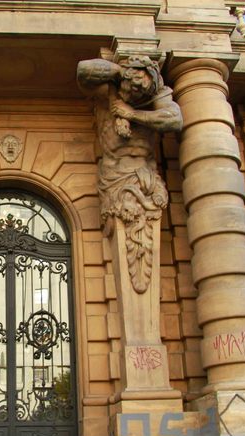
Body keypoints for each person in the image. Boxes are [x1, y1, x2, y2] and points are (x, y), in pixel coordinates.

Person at [77, 56, 183, 293]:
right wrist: (119, 71)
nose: (130, 93)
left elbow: (175, 119)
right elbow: (83, 71)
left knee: (142, 249)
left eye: (136, 91)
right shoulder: (109, 89)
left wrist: (132, 114)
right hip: (114, 176)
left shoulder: (158, 95)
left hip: (143, 178)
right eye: (128, 87)